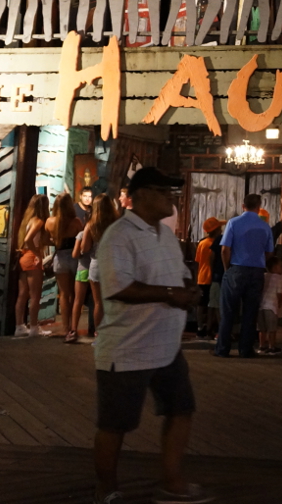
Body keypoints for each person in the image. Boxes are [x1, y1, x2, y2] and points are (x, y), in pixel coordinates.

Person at [92, 167, 207, 504]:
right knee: (115, 425)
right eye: (165, 192)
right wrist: (171, 295)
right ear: (141, 195)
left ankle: (172, 481)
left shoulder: (164, 234)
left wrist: (189, 288)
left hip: (167, 346)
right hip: (127, 348)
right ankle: (106, 489)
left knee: (181, 410)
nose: (173, 198)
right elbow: (119, 288)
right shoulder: (119, 235)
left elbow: (180, 273)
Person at [214, 193, 274, 359]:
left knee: (228, 311)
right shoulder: (265, 227)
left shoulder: (234, 223)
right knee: (250, 312)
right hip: (256, 271)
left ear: (243, 206)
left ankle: (223, 348)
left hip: (236, 269)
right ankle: (245, 349)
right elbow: (269, 252)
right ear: (259, 207)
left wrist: (228, 269)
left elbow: (225, 249)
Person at [48, 192, 85, 345]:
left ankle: (65, 327)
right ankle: (73, 327)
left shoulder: (50, 222)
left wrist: (55, 240)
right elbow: (82, 239)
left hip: (60, 257)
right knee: (75, 295)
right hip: (75, 257)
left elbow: (45, 240)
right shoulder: (76, 222)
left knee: (64, 294)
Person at [80, 194, 119, 336]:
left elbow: (84, 248)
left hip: (96, 264)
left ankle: (99, 334)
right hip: (113, 265)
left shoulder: (91, 225)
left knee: (98, 303)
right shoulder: (117, 223)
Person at [14, 194, 51, 338]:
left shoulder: (28, 221)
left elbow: (28, 239)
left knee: (22, 294)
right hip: (32, 259)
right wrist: (37, 254)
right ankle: (34, 327)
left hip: (24, 257)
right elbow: (29, 239)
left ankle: (19, 326)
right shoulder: (39, 221)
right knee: (35, 295)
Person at [194, 219, 224, 339]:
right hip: (212, 277)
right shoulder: (217, 243)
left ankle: (200, 327)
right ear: (216, 230)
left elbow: (197, 261)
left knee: (202, 305)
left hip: (202, 277)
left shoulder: (202, 243)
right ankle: (212, 328)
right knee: (213, 305)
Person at [258, 256, 282, 355]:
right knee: (272, 329)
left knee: (262, 329)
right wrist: (279, 303)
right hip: (271, 307)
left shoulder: (264, 276)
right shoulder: (279, 278)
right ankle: (272, 347)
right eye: (280, 266)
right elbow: (279, 294)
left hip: (261, 306)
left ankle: (261, 346)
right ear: (274, 268)